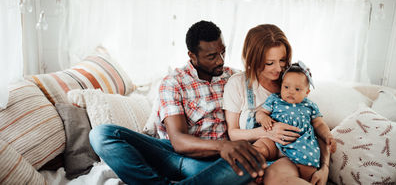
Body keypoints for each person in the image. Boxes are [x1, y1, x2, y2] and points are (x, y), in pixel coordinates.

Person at [89, 20, 267, 185]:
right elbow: (179, 141)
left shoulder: (234, 78)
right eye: (212, 56)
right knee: (100, 134)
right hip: (173, 154)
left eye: (223, 52)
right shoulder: (174, 82)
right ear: (193, 56)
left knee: (254, 163)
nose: (220, 60)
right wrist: (222, 146)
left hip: (219, 161)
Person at [223, 24, 331, 185]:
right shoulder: (237, 84)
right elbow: (233, 134)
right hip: (258, 155)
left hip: (293, 158)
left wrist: (325, 167)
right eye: (269, 63)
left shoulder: (292, 82)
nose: (278, 69)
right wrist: (268, 132)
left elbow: (315, 127)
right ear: (253, 59)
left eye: (282, 60)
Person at [253, 61, 337, 182]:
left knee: (307, 173)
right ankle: (257, 169)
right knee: (260, 146)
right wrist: (263, 118)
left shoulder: (309, 106)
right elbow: (260, 113)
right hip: (275, 141)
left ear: (307, 92)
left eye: (297, 89)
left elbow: (319, 124)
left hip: (301, 145)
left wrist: (328, 136)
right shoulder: (275, 100)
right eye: (286, 87)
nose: (290, 91)